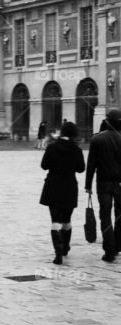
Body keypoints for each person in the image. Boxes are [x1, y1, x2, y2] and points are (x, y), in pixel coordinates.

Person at [40, 121, 85, 264]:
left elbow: (44, 165)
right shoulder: (76, 150)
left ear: (62, 132)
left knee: (55, 220)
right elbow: (81, 169)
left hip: (53, 186)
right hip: (69, 187)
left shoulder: (52, 147)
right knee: (66, 220)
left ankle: (58, 253)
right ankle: (65, 247)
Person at [84, 108, 121, 263]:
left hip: (103, 183)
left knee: (105, 216)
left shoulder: (97, 139)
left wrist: (88, 185)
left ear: (106, 121)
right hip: (120, 184)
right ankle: (117, 246)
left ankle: (109, 251)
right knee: (119, 216)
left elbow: (91, 164)